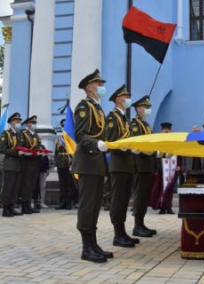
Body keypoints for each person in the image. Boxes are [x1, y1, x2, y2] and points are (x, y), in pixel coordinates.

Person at [71, 69, 112, 263]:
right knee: (88, 205)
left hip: (97, 162)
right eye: (99, 84)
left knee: (95, 205)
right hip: (87, 162)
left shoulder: (97, 107)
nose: (102, 87)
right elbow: (80, 135)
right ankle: (86, 248)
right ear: (89, 87)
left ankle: (93, 244)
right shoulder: (84, 107)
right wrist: (97, 144)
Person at [106, 84, 139, 247]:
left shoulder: (124, 117)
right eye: (126, 97)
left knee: (125, 199)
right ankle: (117, 234)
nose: (128, 100)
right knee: (118, 200)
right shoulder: (112, 117)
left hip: (127, 164)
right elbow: (113, 141)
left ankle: (123, 232)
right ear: (118, 99)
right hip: (118, 164)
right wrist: (127, 148)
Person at [131, 95, 158, 238]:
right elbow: (138, 143)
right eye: (145, 107)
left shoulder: (146, 124)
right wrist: (150, 150)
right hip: (140, 164)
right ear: (138, 108)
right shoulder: (135, 124)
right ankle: (137, 225)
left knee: (145, 195)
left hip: (148, 165)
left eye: (148, 107)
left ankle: (141, 224)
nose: (148, 109)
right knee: (140, 196)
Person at [0, 113, 23, 217]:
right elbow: (2, 149)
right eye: (16, 121)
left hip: (18, 164)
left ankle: (11, 207)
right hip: (10, 163)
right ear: (11, 122)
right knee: (8, 187)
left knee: (15, 187)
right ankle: (5, 209)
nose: (18, 122)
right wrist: (16, 152)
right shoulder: (6, 134)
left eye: (19, 121)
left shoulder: (19, 134)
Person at [19, 115, 41, 214]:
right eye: (33, 123)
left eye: (35, 123)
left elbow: (38, 147)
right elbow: (22, 146)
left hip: (35, 161)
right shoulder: (24, 134)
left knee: (32, 185)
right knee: (26, 184)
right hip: (27, 161)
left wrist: (41, 152)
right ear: (28, 124)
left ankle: (28, 205)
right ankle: (24, 206)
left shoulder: (35, 135)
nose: (34, 125)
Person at [55, 119, 75, 210]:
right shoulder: (59, 138)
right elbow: (56, 151)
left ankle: (68, 203)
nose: (64, 128)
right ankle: (61, 202)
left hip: (69, 161)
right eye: (63, 126)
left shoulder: (71, 138)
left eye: (65, 126)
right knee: (62, 183)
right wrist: (56, 163)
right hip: (60, 162)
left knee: (69, 184)